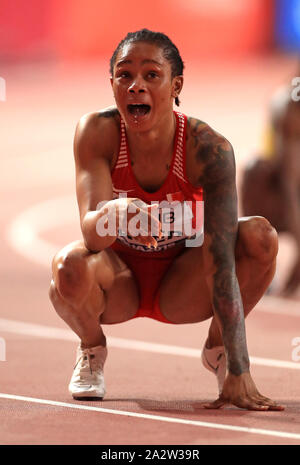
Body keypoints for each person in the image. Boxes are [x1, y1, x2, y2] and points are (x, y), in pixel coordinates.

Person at [49, 29, 284, 411]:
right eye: (124, 75)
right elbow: (92, 237)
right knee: (68, 268)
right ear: (111, 84)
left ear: (176, 85)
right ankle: (92, 347)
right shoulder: (97, 133)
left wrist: (241, 365)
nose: (135, 86)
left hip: (182, 282)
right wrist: (115, 213)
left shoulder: (208, 148)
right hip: (119, 279)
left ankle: (218, 351)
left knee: (260, 237)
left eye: (151, 75)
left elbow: (221, 258)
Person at [242, 72, 300, 296]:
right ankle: (256, 265)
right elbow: (290, 179)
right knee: (254, 170)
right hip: (278, 191)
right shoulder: (291, 107)